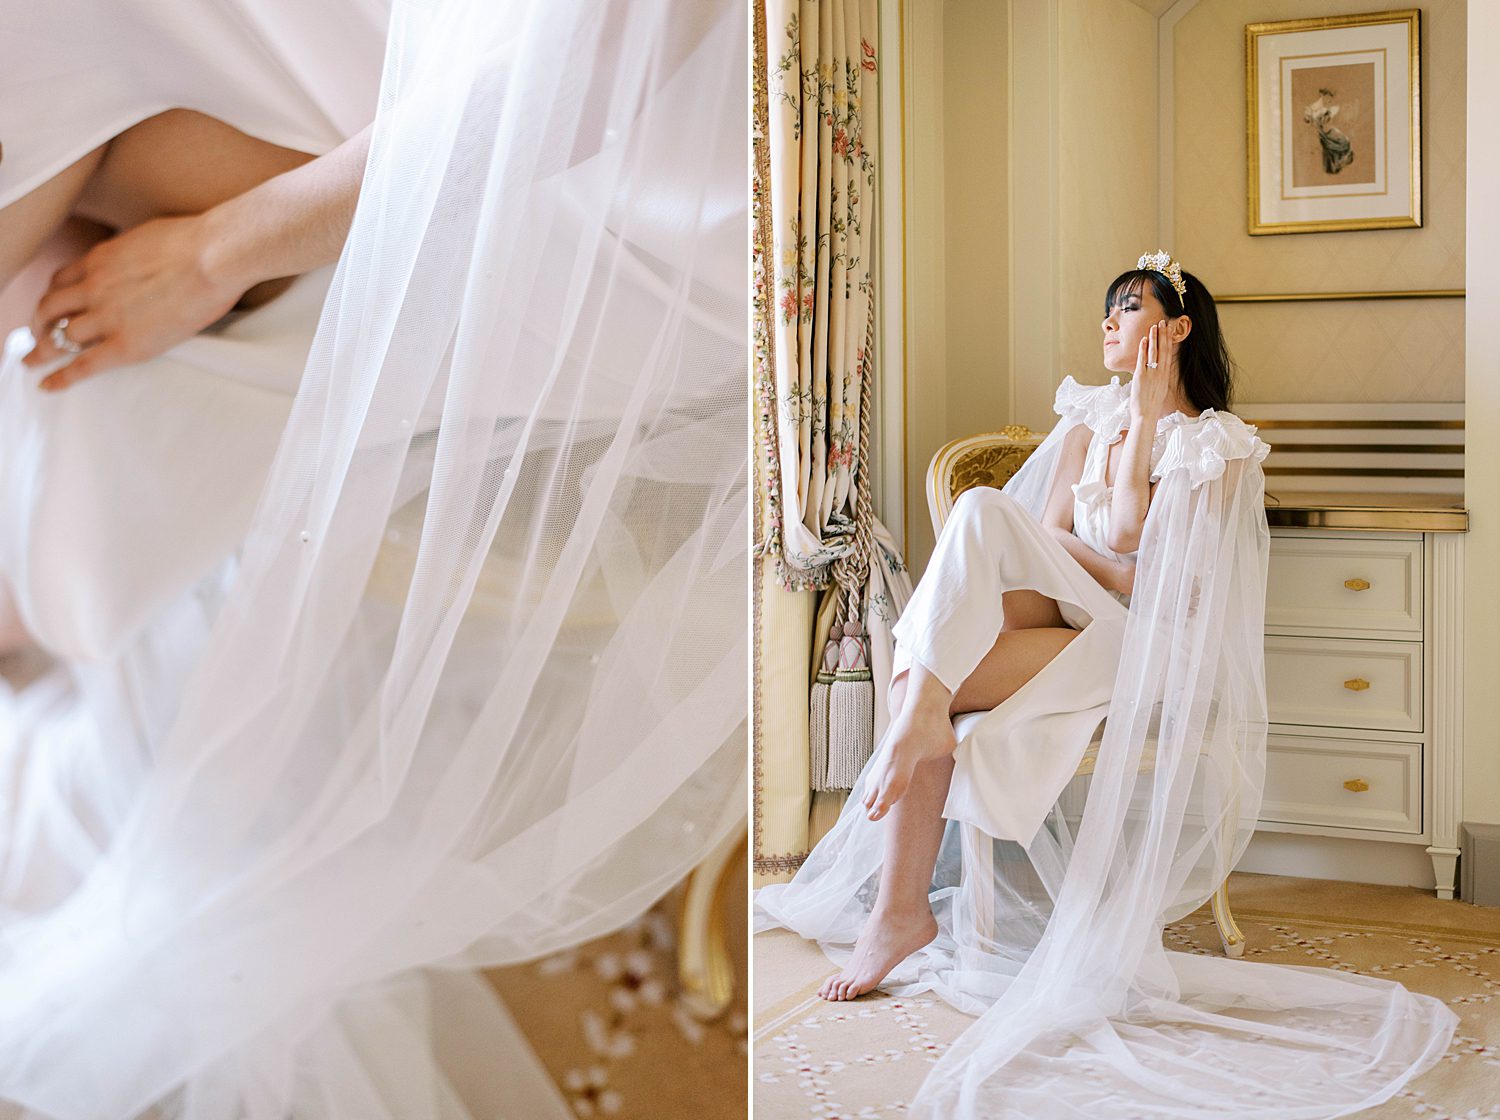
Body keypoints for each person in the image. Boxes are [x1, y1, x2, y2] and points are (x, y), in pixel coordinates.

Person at [0, 2, 746, 1117]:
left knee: (64, 67)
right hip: (489, 81)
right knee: (75, 101)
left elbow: (577, 89)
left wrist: (215, 252)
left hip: (617, 196)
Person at [756, 252, 1457, 1118]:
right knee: (971, 558)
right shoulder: (1086, 421)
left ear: (1177, 328)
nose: (1109, 323)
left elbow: (1147, 577)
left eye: (1130, 308)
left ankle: (904, 841)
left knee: (962, 584)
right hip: (1066, 617)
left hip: (1139, 647)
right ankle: (904, 904)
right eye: (1108, 310)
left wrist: (1149, 432)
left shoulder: (1215, 445)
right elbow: (1062, 541)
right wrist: (1104, 554)